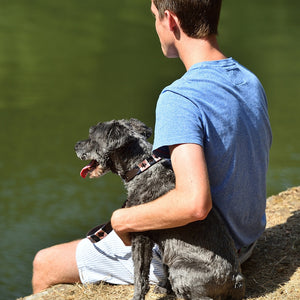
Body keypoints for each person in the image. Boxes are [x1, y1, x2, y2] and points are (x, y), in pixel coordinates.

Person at [32, 0, 272, 294]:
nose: (156, 27)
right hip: (246, 242)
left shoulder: (180, 98)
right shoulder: (250, 81)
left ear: (170, 20)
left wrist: (123, 218)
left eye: (154, 17)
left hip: (201, 254)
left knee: (45, 264)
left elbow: (194, 204)